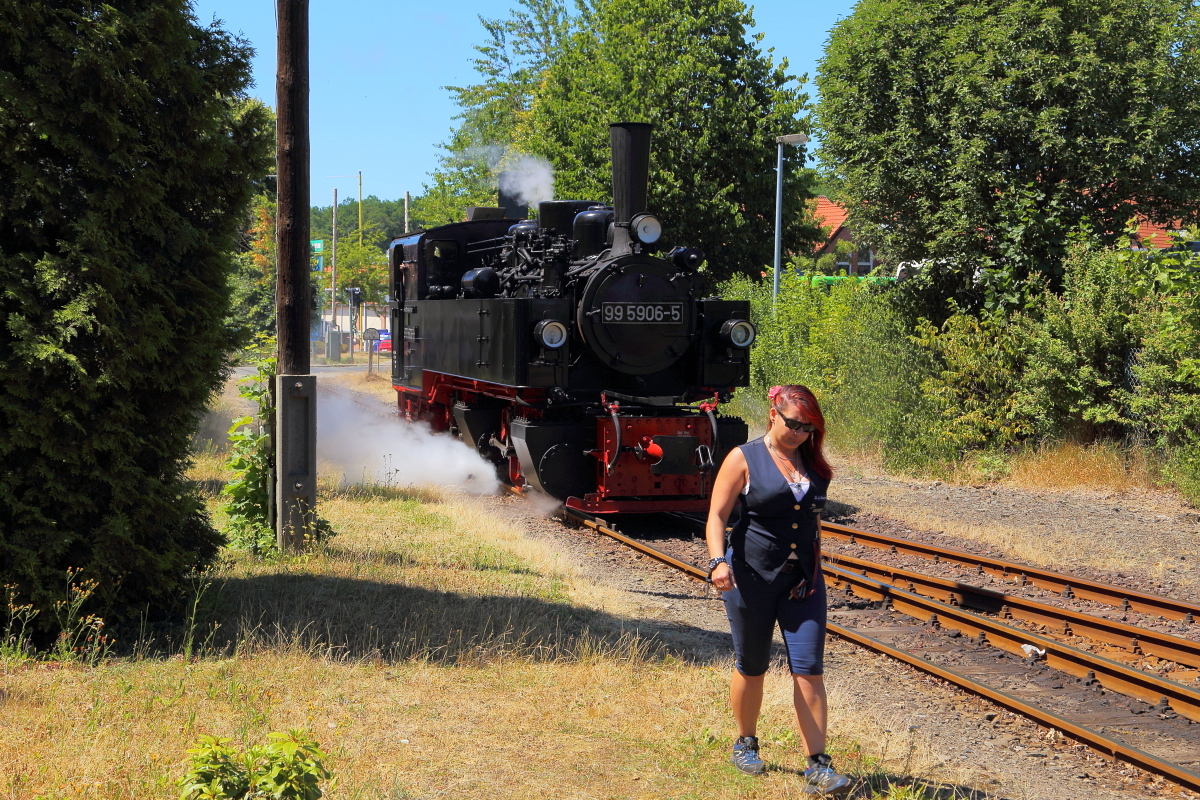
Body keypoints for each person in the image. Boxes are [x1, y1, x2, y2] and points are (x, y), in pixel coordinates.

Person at [705, 384, 851, 796]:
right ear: (773, 414)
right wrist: (718, 562)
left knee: (809, 669)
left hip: (803, 582)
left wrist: (813, 565)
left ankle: (818, 765)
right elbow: (716, 517)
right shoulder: (743, 457)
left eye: (808, 427)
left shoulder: (811, 460)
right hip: (749, 579)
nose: (801, 433)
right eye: (794, 425)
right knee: (752, 665)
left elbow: (811, 521)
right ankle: (746, 742)